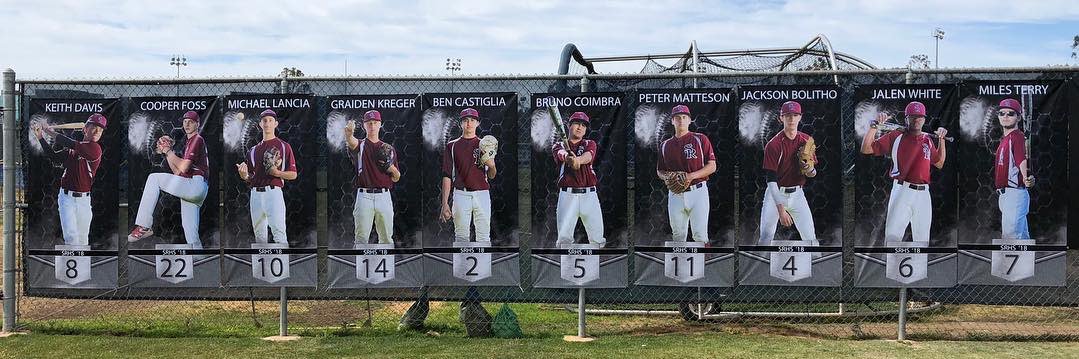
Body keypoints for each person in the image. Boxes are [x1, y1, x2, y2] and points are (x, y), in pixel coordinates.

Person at [127, 111, 210, 248]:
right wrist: (167, 152)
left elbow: (184, 167)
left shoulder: (197, 139)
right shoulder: (190, 142)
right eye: (185, 121)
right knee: (190, 231)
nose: (187, 124)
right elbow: (177, 173)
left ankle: (144, 226)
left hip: (195, 185)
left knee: (154, 178)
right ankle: (199, 259)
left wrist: (168, 151)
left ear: (198, 124)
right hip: (192, 189)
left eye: (191, 121)